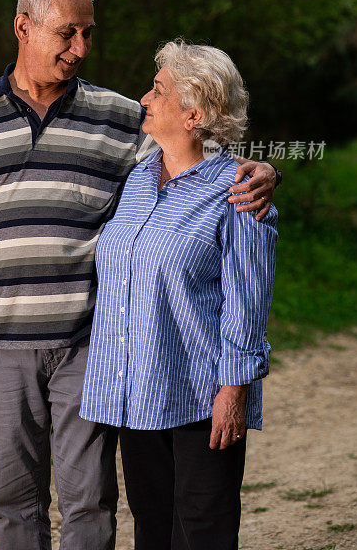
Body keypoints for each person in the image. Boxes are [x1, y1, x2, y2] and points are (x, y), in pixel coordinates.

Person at [0, 0, 278, 550]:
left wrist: (263, 169)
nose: (80, 47)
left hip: (89, 347)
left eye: (88, 33)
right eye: (67, 32)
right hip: (0, 343)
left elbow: (202, 141)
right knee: (13, 498)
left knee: (92, 502)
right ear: (22, 27)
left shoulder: (119, 118)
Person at [80, 38, 278, 550]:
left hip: (201, 400)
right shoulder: (138, 178)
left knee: (201, 532)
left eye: (158, 90)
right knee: (150, 528)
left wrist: (234, 392)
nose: (144, 98)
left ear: (195, 113)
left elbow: (247, 306)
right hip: (137, 392)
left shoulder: (238, 192)